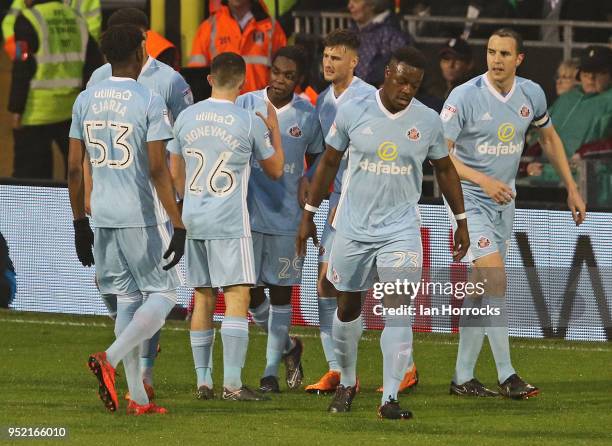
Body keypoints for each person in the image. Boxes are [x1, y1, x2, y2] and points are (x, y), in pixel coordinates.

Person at [297, 46, 470, 419]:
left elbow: (444, 169)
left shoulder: (427, 120)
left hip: (402, 230)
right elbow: (328, 161)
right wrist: (310, 213)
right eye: (403, 80)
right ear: (388, 73)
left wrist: (461, 220)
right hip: (353, 228)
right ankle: (346, 381)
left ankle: (389, 398)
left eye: (416, 84)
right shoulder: (354, 110)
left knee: (398, 309)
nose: (408, 89)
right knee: (347, 306)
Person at [441, 28, 586, 400]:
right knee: (496, 279)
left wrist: (571, 187)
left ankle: (462, 378)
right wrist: (483, 181)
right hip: (467, 199)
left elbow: (549, 138)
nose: (496, 59)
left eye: (505, 53)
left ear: (519, 58)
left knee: (480, 286)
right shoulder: (465, 96)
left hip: (503, 200)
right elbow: (441, 156)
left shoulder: (531, 94)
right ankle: (508, 375)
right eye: (491, 52)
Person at [67, 24, 186, 415]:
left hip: (101, 214)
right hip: (140, 216)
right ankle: (110, 359)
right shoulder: (148, 100)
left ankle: (138, 397)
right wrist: (178, 222)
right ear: (139, 54)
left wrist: (79, 223)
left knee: (128, 301)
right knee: (165, 294)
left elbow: (73, 167)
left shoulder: (85, 99)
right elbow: (157, 168)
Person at [168, 52, 284, 401]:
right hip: (230, 221)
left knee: (203, 295)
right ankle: (232, 384)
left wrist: (187, 202)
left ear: (209, 79)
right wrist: (274, 128)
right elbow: (276, 169)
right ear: (243, 82)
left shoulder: (186, 117)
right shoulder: (248, 121)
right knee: (237, 295)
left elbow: (175, 172)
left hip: (194, 218)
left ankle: (203, 381)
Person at [236, 46, 324, 393]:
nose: (280, 80)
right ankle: (289, 346)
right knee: (250, 292)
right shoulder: (246, 104)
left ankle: (270, 372)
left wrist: (308, 180)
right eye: (276, 72)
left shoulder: (308, 114)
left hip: (288, 217)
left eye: (288, 76)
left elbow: (320, 157)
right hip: (247, 213)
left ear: (299, 80)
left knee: (282, 294)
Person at [301, 28, 377, 395]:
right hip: (335, 202)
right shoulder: (322, 101)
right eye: (326, 57)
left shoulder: (369, 98)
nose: (329, 63)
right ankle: (338, 369)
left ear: (354, 61)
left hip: (363, 204)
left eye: (336, 57)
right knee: (326, 284)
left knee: (375, 288)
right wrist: (307, 180)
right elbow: (326, 157)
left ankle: (401, 366)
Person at [7, 0, 103, 179]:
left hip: (37, 111)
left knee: (31, 179)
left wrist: (16, 109)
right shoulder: (77, 18)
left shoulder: (28, 19)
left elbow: (22, 65)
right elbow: (93, 65)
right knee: (78, 173)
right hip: (72, 111)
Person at [188, 0, 287, 93]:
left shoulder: (272, 28)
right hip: (221, 108)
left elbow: (285, 75)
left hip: (259, 107)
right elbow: (196, 80)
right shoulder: (208, 28)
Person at [2, 0, 101, 60]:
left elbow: (92, 32)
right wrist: (20, 53)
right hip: (36, 70)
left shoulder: (87, 1)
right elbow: (9, 23)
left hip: (73, 69)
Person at [347, 0, 412, 88]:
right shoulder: (352, 31)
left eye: (356, 1)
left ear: (372, 4)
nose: (350, 6)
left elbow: (406, 69)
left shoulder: (393, 34)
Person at [428, 37, 474, 103]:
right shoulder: (432, 91)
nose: (450, 65)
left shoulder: (475, 92)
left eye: (457, 60)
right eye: (446, 59)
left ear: (469, 64)